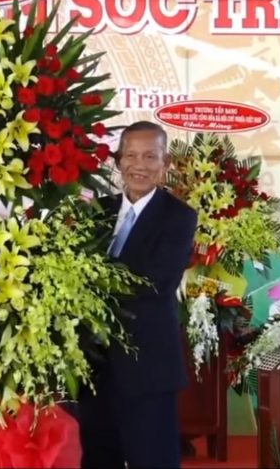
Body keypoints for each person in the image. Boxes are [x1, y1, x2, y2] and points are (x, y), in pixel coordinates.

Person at [79, 121, 198, 469]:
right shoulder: (97, 212)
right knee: (98, 459)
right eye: (130, 156)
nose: (139, 165)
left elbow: (155, 281)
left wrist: (91, 281)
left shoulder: (179, 217)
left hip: (147, 367)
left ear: (165, 163)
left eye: (150, 156)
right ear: (118, 162)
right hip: (95, 367)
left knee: (153, 460)